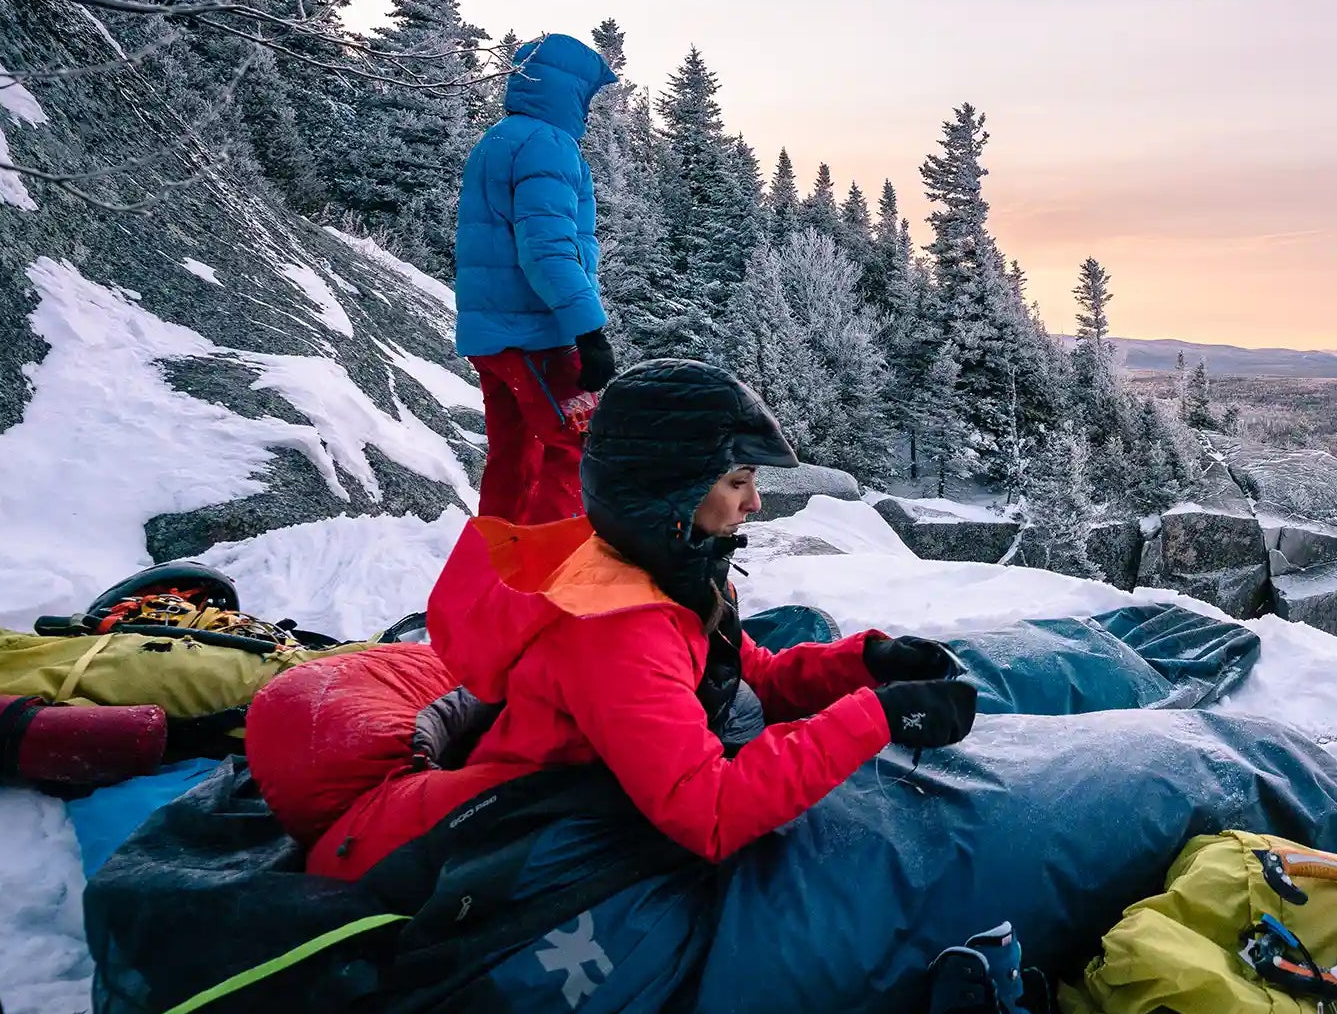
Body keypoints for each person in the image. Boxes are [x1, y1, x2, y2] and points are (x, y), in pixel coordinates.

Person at [305, 360, 978, 877]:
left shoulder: (672, 569)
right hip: (507, 835)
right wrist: (878, 719)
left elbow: (742, 676)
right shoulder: (618, 629)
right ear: (671, 495)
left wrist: (867, 664)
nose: (756, 504)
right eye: (738, 481)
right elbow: (708, 812)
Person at [453, 32, 622, 525]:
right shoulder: (549, 144)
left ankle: (496, 576)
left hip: (495, 336)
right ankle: (553, 575)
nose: (590, 109)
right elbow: (546, 249)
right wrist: (589, 331)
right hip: (538, 336)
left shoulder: (499, 139)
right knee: (581, 451)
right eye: (587, 95)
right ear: (566, 90)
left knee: (514, 458)